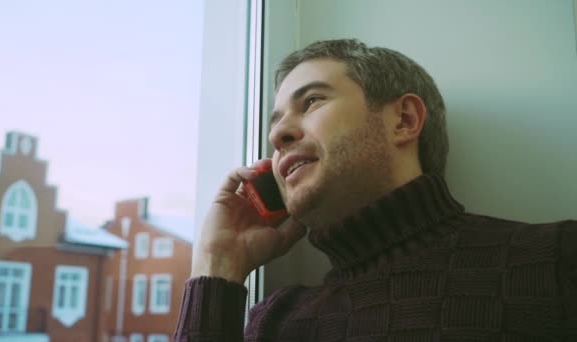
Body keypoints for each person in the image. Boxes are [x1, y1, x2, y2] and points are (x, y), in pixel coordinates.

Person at [173, 39, 577, 341]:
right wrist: (216, 264)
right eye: (275, 122)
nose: (277, 133)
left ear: (404, 120)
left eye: (311, 101)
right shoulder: (276, 321)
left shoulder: (557, 259)